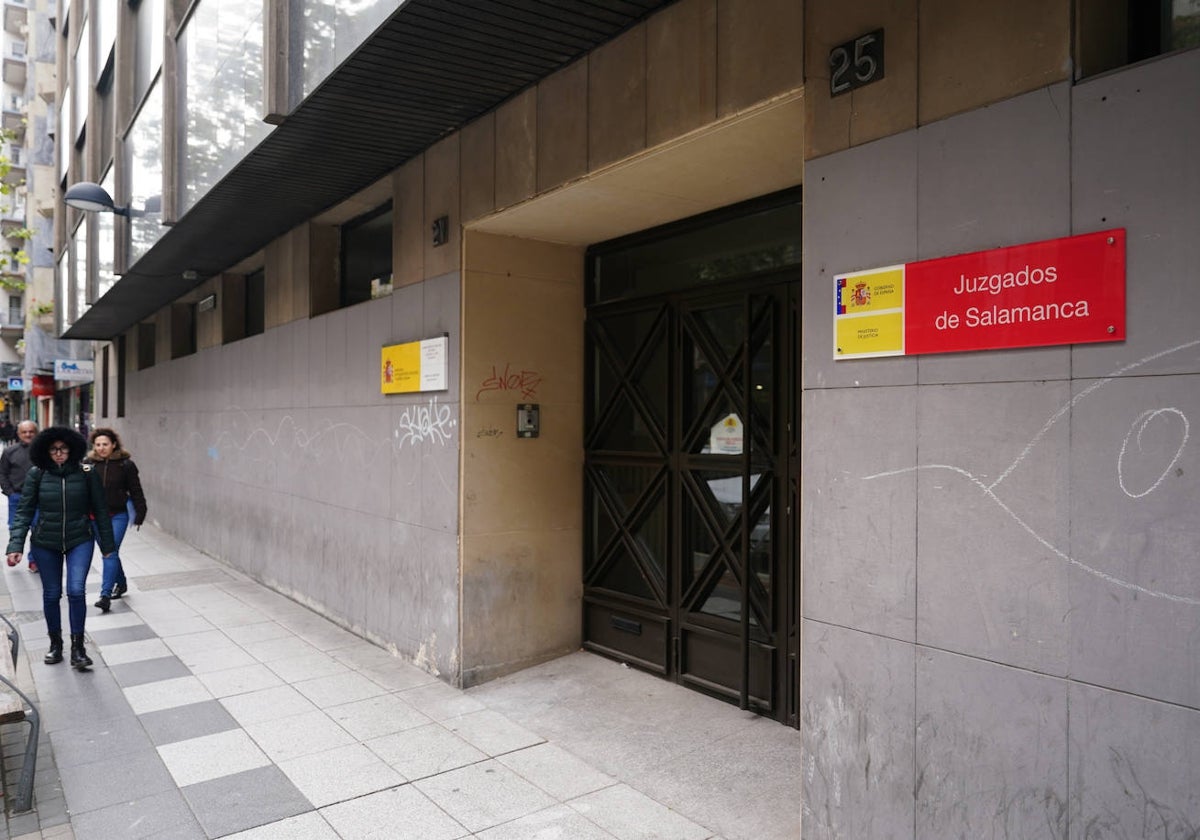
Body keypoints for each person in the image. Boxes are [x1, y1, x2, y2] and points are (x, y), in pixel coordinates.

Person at [5, 427, 116, 670]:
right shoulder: (37, 474)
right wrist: (16, 545)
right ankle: (55, 643)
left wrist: (108, 546)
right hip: (46, 542)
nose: (58, 454)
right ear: (45, 451)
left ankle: (78, 647)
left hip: (80, 539)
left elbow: (100, 511)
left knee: (76, 591)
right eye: (53, 449)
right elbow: (24, 511)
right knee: (52, 593)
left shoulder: (87, 473)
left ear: (72, 449)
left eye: (63, 449)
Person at [85, 428, 147, 613]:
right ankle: (121, 582)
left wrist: (141, 512)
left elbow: (136, 490)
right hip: (95, 517)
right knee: (110, 551)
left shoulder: (126, 465)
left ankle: (105, 595)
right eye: (98, 445)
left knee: (109, 552)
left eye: (105, 444)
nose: (102, 448)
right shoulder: (88, 465)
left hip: (118, 515)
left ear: (113, 445)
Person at [0, 420, 39, 573]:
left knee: (38, 530)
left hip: (39, 498)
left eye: (31, 431)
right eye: (24, 432)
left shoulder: (43, 451)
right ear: (18, 434)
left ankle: (33, 560)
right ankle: (14, 553)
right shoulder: (10, 452)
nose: (28, 434)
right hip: (17, 497)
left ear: (36, 433)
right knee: (15, 528)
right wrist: (9, 492)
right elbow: (2, 473)